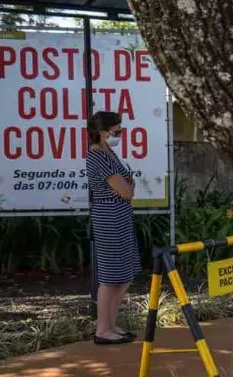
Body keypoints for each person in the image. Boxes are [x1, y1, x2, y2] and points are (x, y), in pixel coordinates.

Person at [87, 111, 141, 344]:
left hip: (120, 216)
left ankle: (111, 324)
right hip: (109, 218)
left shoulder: (109, 152)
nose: (120, 135)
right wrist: (128, 187)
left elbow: (126, 189)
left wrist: (127, 187)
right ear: (101, 132)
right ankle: (102, 330)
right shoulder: (98, 156)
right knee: (110, 277)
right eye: (116, 131)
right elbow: (126, 191)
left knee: (125, 275)